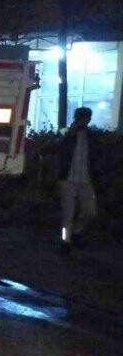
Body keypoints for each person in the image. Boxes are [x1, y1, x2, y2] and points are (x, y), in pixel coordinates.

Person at [58, 107, 98, 254]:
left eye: (87, 119)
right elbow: (60, 146)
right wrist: (72, 132)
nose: (85, 122)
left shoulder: (91, 136)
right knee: (67, 214)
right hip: (68, 179)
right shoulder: (67, 134)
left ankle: (76, 232)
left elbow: (95, 156)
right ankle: (65, 241)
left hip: (86, 179)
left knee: (90, 211)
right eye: (83, 118)